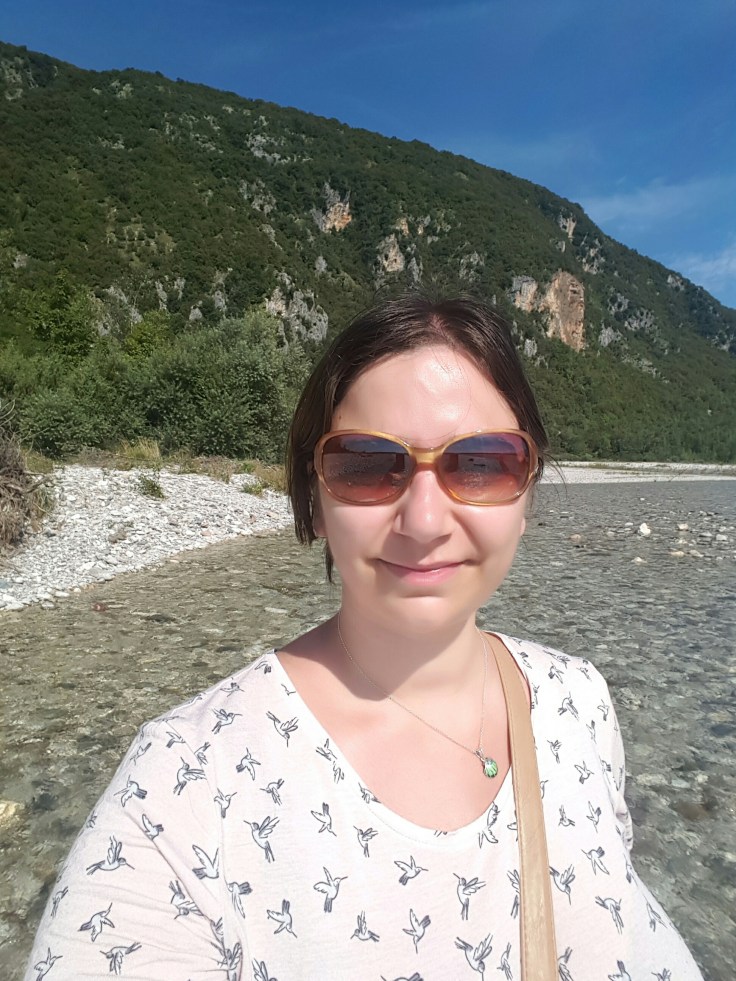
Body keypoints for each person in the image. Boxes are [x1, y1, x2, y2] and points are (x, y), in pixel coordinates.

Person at [26, 294, 703, 980]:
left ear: (526, 488)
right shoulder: (185, 785)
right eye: (369, 464)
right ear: (315, 498)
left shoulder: (578, 703)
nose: (425, 520)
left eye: (479, 462)